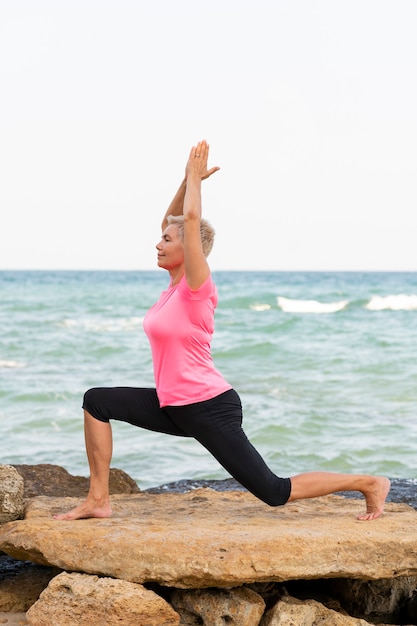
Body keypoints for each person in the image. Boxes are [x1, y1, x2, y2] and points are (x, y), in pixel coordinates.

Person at [55, 140, 390, 522]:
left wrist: (197, 184)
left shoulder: (197, 289)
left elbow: (190, 222)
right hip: (173, 406)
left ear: (190, 248)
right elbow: (176, 218)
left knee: (274, 491)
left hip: (208, 407)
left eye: (167, 240)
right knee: (97, 400)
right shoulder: (172, 288)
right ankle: (98, 499)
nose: (158, 243)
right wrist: (186, 180)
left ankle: (368, 482)